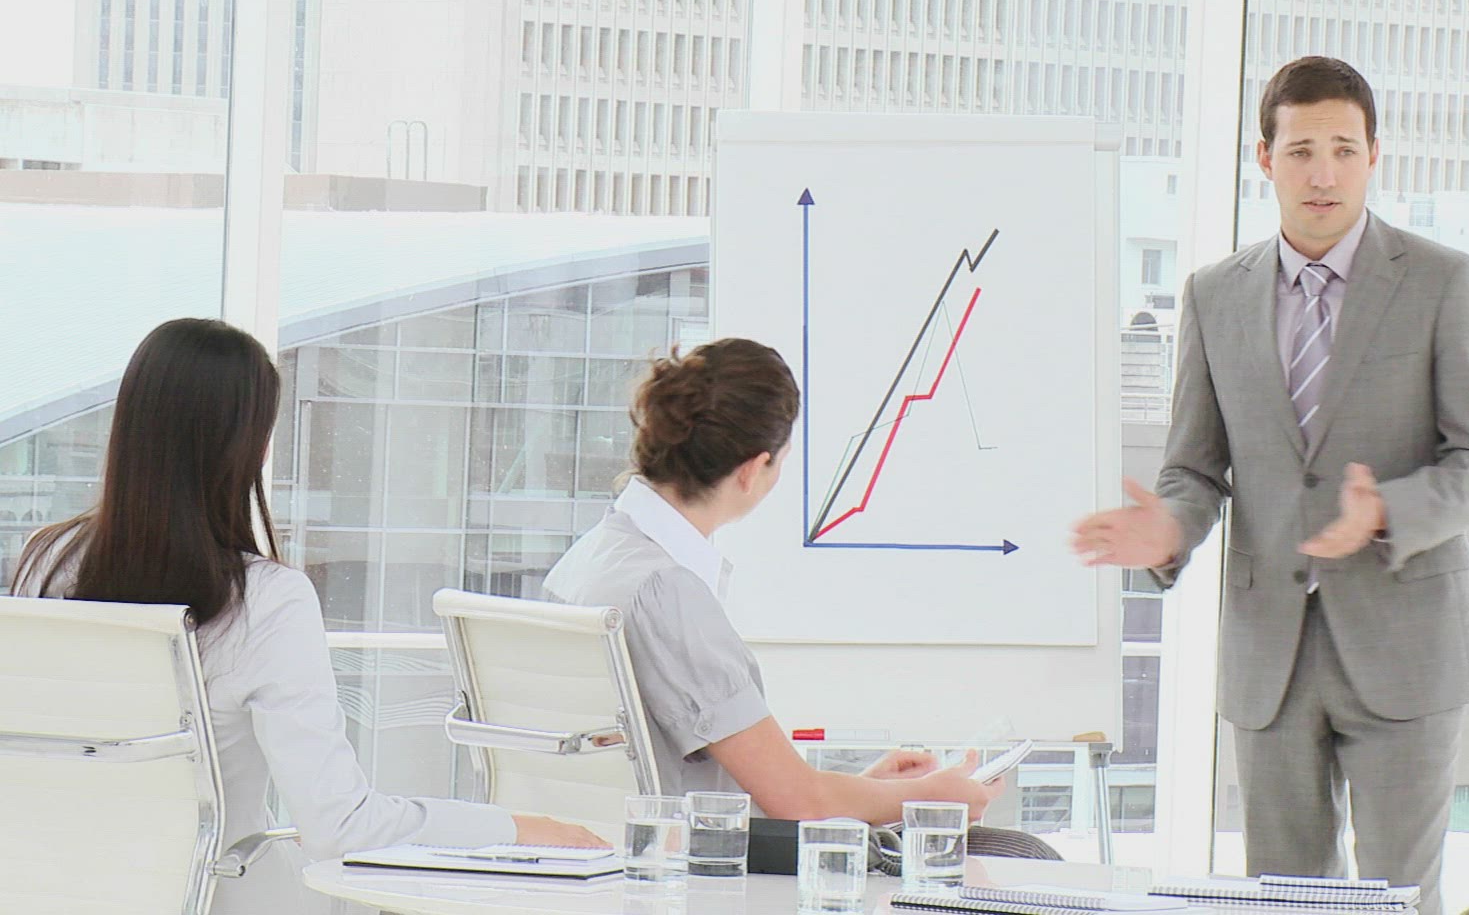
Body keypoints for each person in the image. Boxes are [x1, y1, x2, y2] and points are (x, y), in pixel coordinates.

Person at [1072, 55, 1469, 914]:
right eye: (1302, 150)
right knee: (1283, 902)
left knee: (1398, 901)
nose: (1323, 174)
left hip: (1407, 649)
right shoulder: (1213, 295)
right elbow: (1195, 467)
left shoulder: (1444, 282)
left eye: (1344, 150)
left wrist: (1388, 510)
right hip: (1269, 654)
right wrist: (1171, 529)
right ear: (1265, 158)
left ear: (1374, 156)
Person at [9, 319, 601, 915]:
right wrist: (516, 827)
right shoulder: (268, 599)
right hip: (220, 897)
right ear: (252, 447)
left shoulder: (46, 562)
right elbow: (340, 827)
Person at [543, 338, 1019, 834]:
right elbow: (797, 802)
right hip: (686, 863)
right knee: (1017, 851)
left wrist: (872, 791)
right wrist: (932, 797)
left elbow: (768, 789)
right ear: (752, 471)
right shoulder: (666, 591)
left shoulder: (591, 558)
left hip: (623, 854)